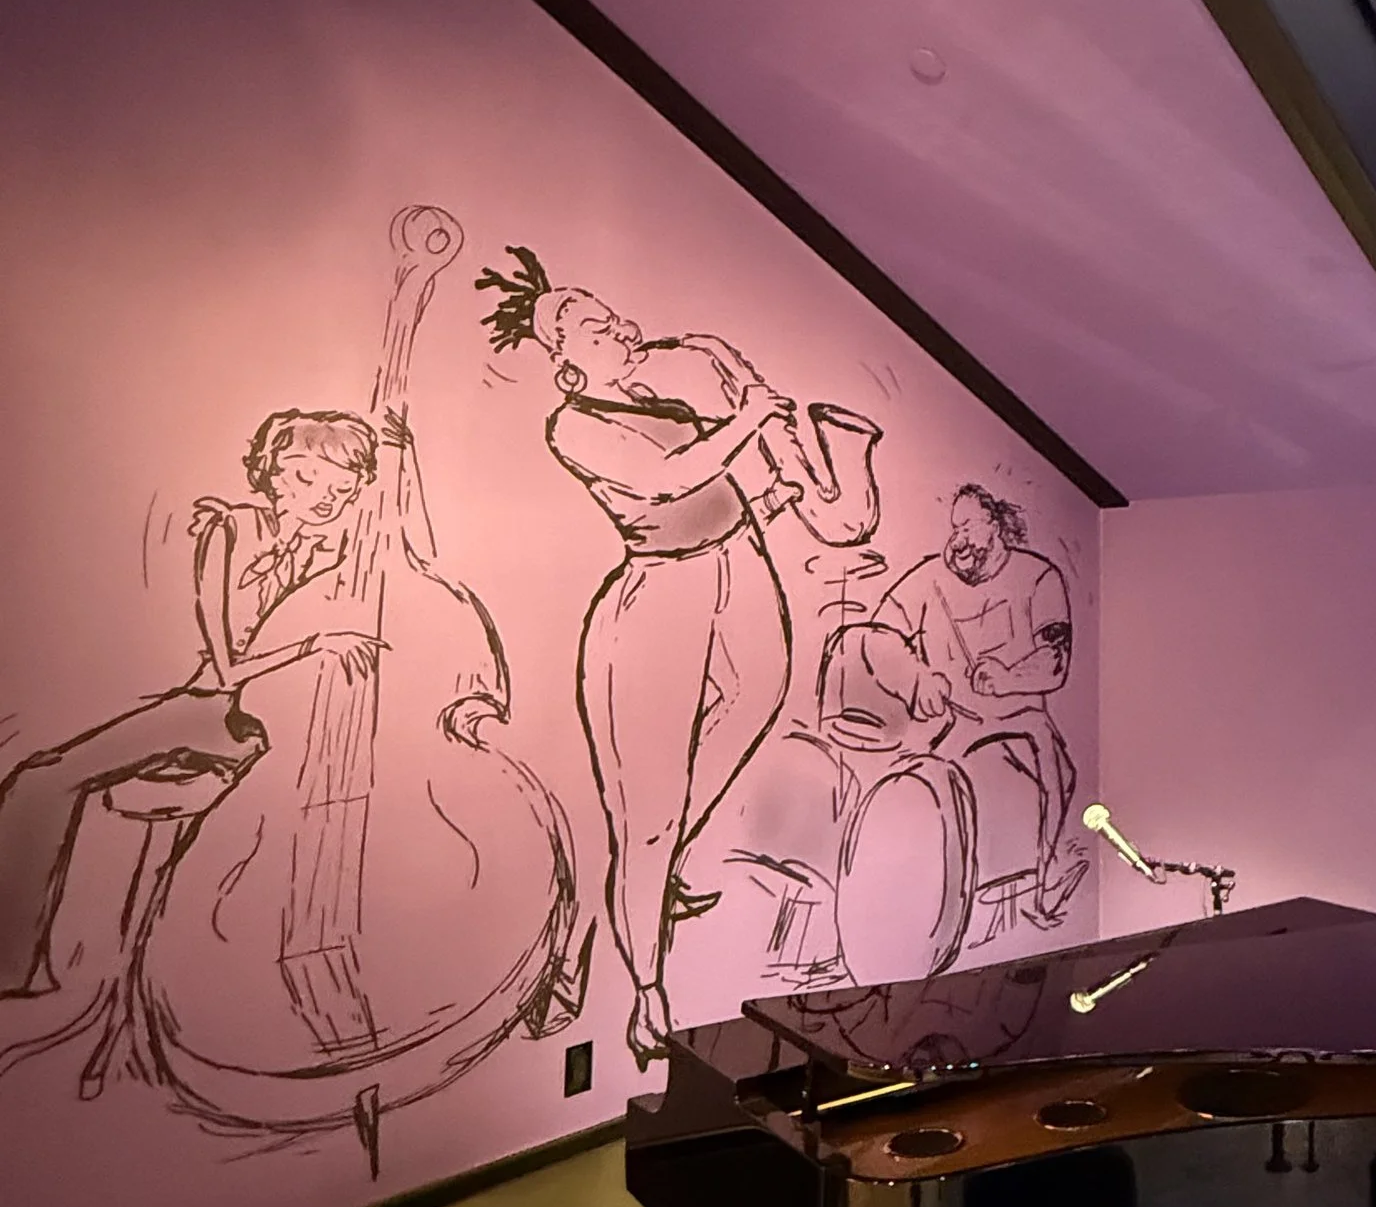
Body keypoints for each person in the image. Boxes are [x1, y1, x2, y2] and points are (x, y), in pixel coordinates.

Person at [478, 249, 877, 1065]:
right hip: (657, 600)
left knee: (751, 706)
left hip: (737, 568)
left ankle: (634, 892)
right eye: (593, 324)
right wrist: (753, 418)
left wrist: (782, 484)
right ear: (564, 364)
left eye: (611, 315)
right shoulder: (575, 425)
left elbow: (719, 487)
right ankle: (646, 996)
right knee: (646, 812)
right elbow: (669, 480)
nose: (618, 326)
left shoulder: (666, 382)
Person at [0, 409, 383, 1024]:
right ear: (275, 475)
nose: (325, 499)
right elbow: (227, 663)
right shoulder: (230, 529)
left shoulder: (335, 549)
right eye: (308, 478)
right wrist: (315, 643)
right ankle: (14, 965)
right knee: (39, 778)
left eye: (341, 488)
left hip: (224, 715)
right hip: (199, 700)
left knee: (42, 778)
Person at [854, 484, 1083, 923]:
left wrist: (1009, 678)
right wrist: (913, 676)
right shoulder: (928, 579)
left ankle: (1043, 885)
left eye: (967, 527)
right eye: (953, 528)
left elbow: (1056, 663)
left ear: (994, 526)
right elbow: (875, 635)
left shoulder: (1038, 577)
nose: (956, 540)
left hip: (1021, 724)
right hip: (947, 729)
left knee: (1055, 770)